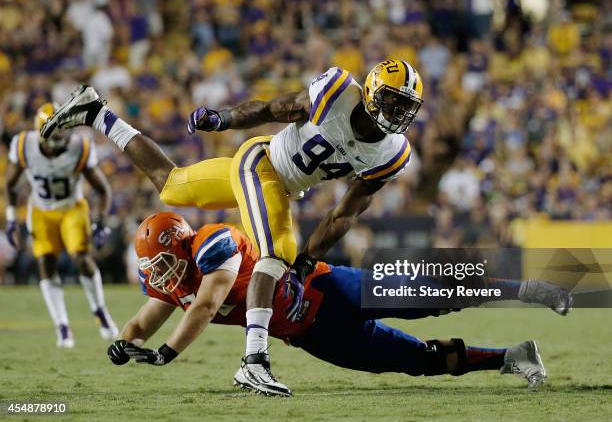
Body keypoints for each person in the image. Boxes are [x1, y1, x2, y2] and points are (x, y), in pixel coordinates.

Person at [41, 59, 424, 394]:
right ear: (372, 90)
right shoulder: (338, 92)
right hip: (261, 163)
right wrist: (223, 119)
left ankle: (96, 113)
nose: (397, 112)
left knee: (172, 186)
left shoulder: (392, 153)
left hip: (278, 184)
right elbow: (275, 108)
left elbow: (344, 214)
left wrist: (311, 258)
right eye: (393, 100)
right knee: (276, 255)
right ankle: (254, 360)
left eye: (406, 106)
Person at [106, 212, 572, 395]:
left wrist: (167, 354)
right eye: (154, 264)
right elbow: (144, 321)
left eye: (163, 260)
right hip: (314, 336)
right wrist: (125, 345)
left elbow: (205, 308)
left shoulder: (213, 243)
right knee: (417, 361)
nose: (160, 272)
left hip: (332, 288)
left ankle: (525, 289)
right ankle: (512, 358)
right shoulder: (171, 282)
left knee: (434, 294)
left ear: (182, 244)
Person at [5, 103, 118, 347]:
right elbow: (10, 184)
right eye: (58, 129)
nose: (63, 134)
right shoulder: (25, 145)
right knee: (46, 261)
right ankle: (62, 326)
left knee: (81, 257)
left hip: (72, 208)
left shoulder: (80, 147)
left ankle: (100, 311)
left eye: (65, 128)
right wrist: (12, 217)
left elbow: (103, 189)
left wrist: (100, 222)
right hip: (42, 210)